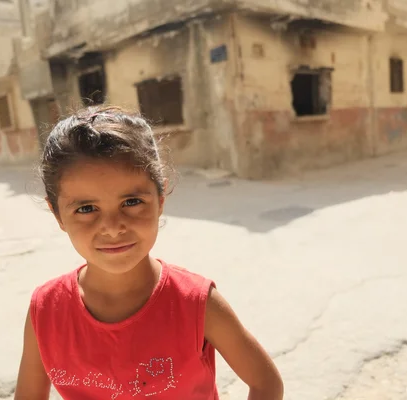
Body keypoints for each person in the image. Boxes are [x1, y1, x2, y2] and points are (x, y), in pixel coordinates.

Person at [14, 106, 283, 399]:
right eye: (86, 209)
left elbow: (265, 383)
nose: (113, 227)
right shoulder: (46, 311)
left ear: (160, 198)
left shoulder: (196, 304)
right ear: (57, 215)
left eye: (131, 202)